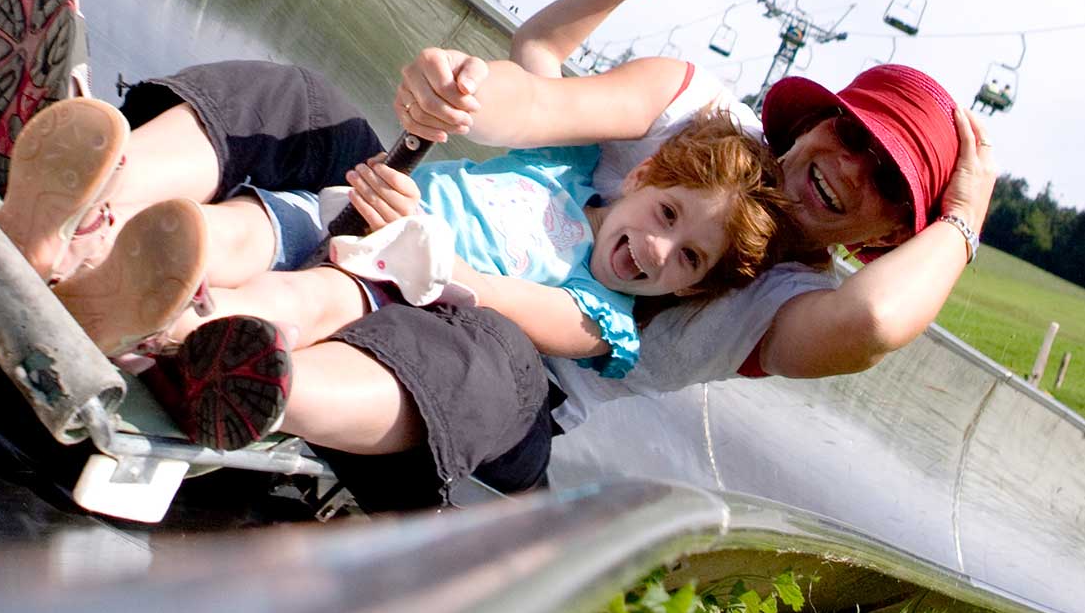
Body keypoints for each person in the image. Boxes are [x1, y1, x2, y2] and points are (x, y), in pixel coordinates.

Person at [0, 0, 999, 511]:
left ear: (883, 234)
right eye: (851, 135)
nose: (848, 167)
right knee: (296, 107)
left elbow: (870, 322)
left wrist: (962, 218)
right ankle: (81, 210)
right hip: (394, 226)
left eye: (886, 181)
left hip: (488, 360)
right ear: (812, 121)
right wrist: (457, 90)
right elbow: (537, 92)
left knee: (465, 354)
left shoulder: (779, 299)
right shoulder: (688, 118)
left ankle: (244, 377)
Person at [132, 101, 791, 449]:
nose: (656, 249)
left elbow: (503, 297)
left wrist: (430, 252)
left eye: (688, 259)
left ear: (690, 289)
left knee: (307, 294)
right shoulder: (565, 168)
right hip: (351, 215)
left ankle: (191, 333)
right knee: (252, 227)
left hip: (386, 282)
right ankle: (117, 247)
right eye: (667, 213)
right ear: (641, 177)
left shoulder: (605, 322)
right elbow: (540, 56)